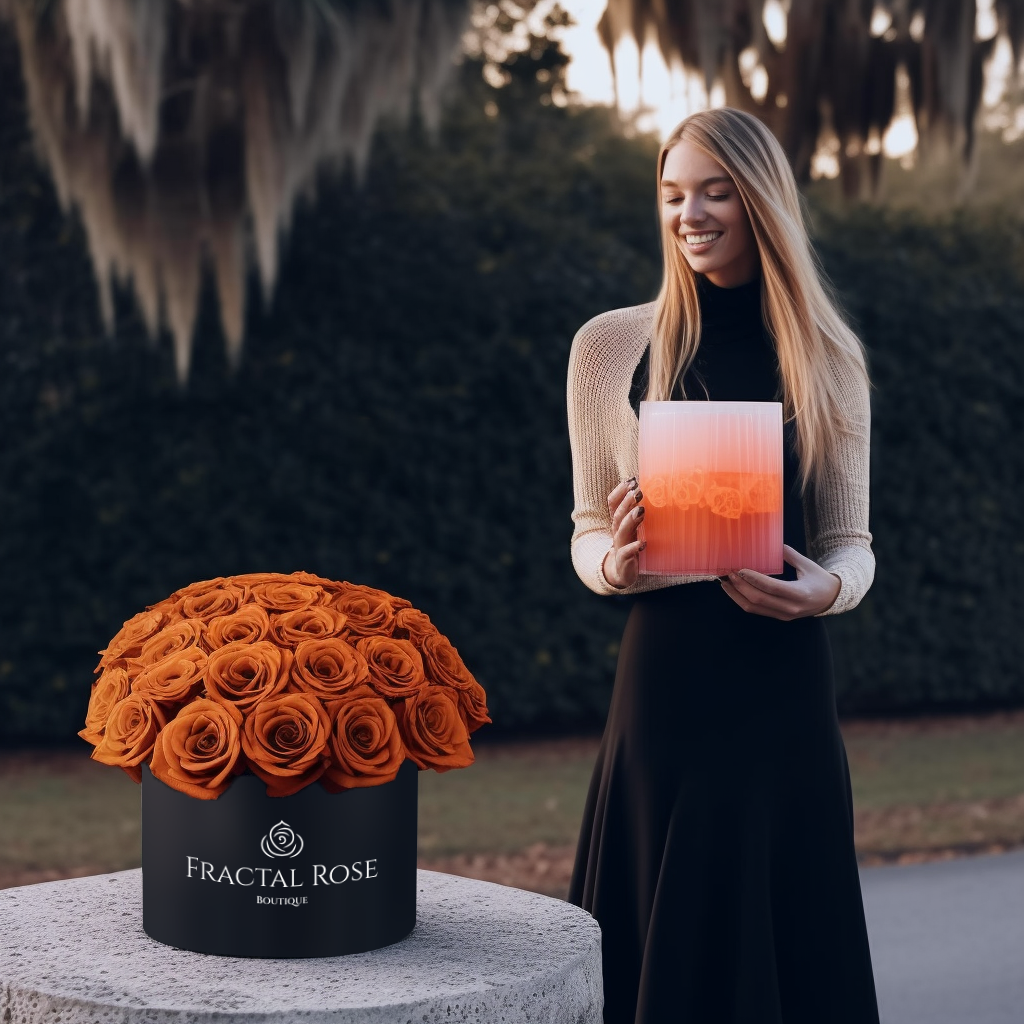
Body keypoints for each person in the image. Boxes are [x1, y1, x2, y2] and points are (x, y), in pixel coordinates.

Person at [565, 107, 880, 1024]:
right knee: (652, 940)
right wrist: (614, 566)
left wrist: (829, 591)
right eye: (672, 194)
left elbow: (849, 542)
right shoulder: (611, 347)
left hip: (782, 684)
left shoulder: (827, 358)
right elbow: (587, 526)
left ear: (760, 200)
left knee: (787, 941)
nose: (689, 214)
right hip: (665, 686)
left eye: (714, 190)